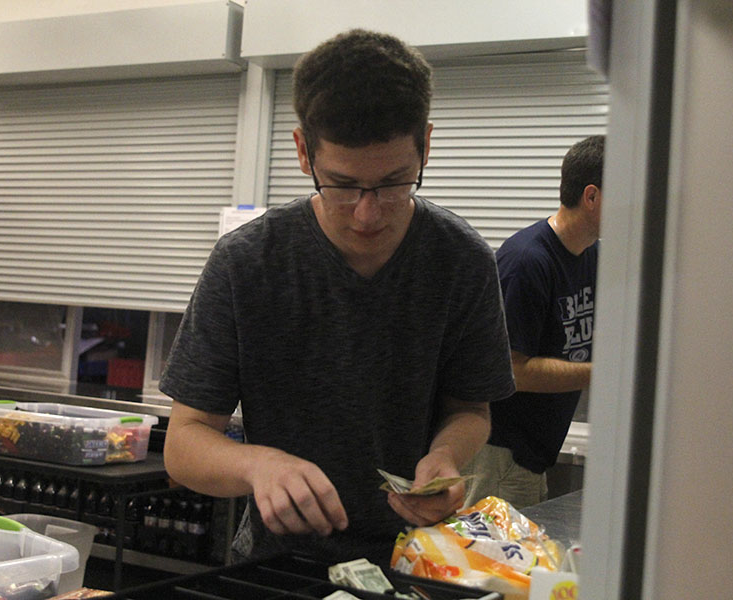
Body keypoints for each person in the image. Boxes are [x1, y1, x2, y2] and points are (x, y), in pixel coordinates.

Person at [159, 29, 515, 565]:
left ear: (427, 145)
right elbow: (184, 443)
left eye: (395, 182)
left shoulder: (462, 260)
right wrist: (260, 465)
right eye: (343, 184)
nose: (367, 213)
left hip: (416, 560)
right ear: (304, 152)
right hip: (277, 565)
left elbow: (470, 408)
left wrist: (445, 454)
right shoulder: (247, 263)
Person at [462, 135, 604, 510]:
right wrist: (602, 372)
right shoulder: (527, 261)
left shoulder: (593, 255)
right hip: (499, 457)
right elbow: (513, 371)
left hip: (532, 456)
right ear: (592, 197)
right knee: (486, 566)